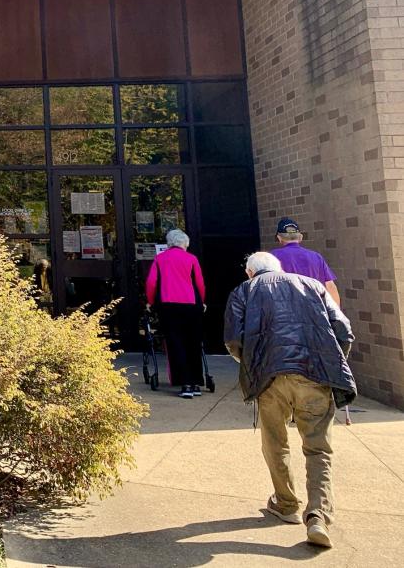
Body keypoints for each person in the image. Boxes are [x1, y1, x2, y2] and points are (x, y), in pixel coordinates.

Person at [224, 251, 356, 550]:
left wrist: (250, 364)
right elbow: (344, 332)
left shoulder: (244, 291)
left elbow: (233, 339)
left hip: (271, 377)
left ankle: (286, 504)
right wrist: (333, 365)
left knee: (275, 442)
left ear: (249, 272)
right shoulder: (314, 285)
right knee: (318, 447)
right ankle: (319, 515)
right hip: (315, 374)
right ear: (278, 267)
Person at [144, 228, 206, 398]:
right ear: (185, 244)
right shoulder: (192, 258)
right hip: (191, 304)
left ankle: (184, 383)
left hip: (169, 305)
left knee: (175, 343)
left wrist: (150, 301)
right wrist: (202, 301)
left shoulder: (160, 259)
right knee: (193, 342)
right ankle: (195, 383)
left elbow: (151, 283)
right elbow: (199, 283)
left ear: (169, 243)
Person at [272, 217, 340, 307]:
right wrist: (336, 316)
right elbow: (330, 286)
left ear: (279, 238)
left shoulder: (271, 257)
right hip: (316, 314)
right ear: (300, 237)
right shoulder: (316, 257)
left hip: (287, 315)